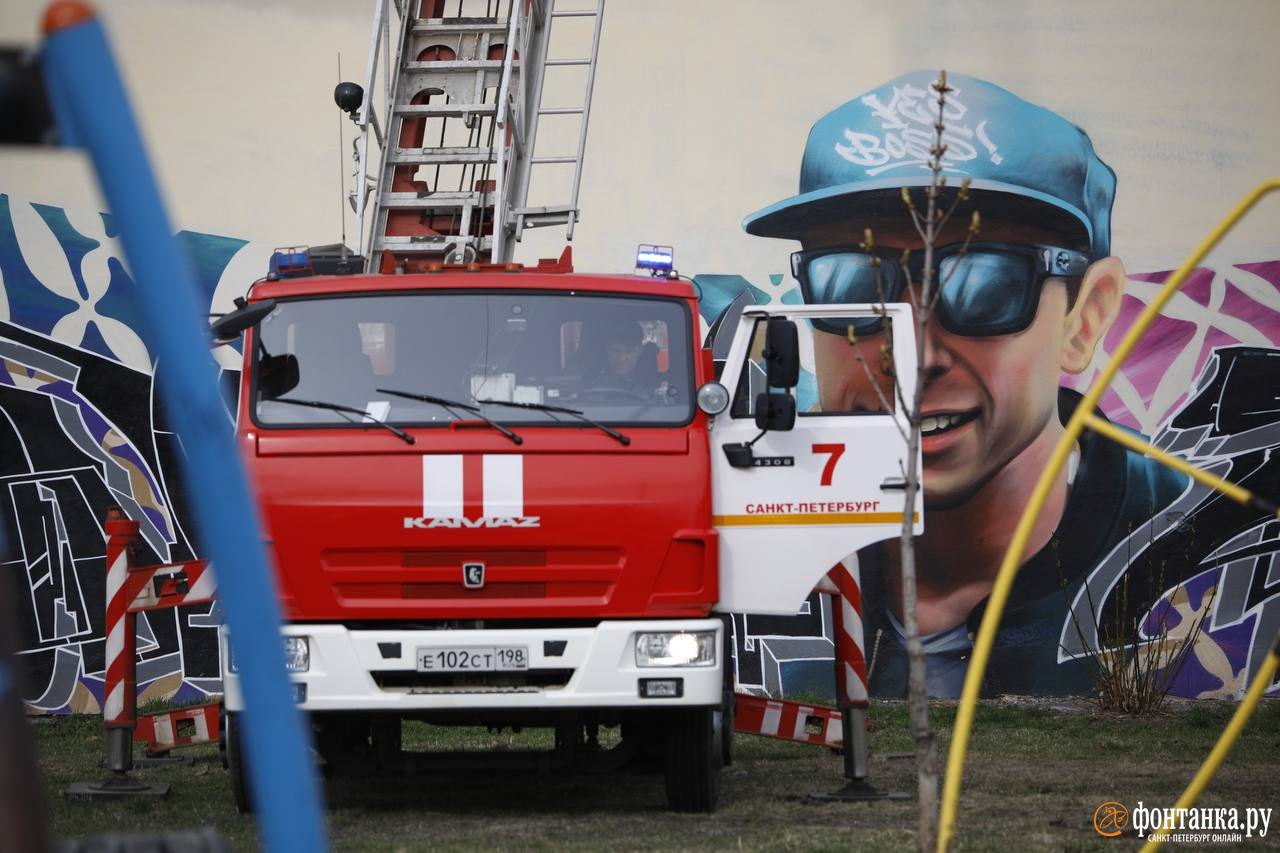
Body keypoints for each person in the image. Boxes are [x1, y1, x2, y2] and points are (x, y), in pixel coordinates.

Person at [741, 70, 1189, 696]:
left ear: (1084, 319)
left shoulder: (1206, 552)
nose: (914, 353)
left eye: (984, 285)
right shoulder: (738, 542)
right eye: (854, 284)